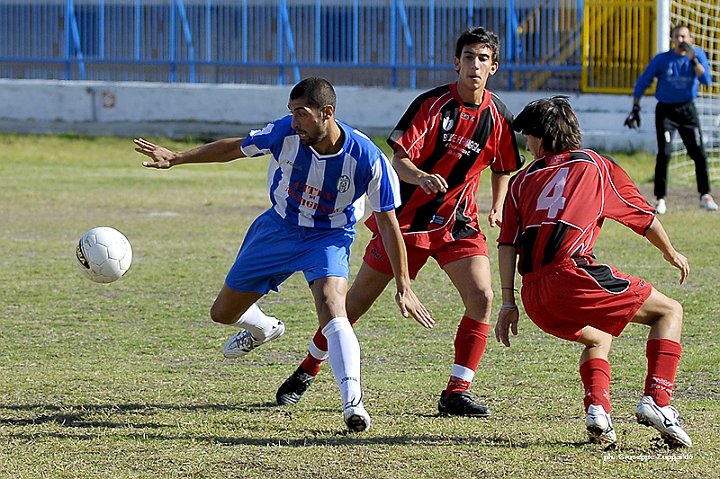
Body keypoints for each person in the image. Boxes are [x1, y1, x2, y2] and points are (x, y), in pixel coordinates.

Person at [134, 77, 433, 432]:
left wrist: (404, 284)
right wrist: (177, 157)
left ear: (327, 113)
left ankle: (353, 401)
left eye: (301, 114)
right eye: (291, 113)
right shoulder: (285, 134)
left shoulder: (368, 158)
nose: (294, 122)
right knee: (222, 313)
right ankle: (263, 328)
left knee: (332, 307)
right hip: (277, 229)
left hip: (328, 237)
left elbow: (388, 225)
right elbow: (235, 147)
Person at [263, 26, 523, 417]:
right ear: (457, 62)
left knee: (482, 297)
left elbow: (504, 165)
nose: (474, 65)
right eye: (468, 57)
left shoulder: (499, 116)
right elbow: (398, 159)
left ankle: (457, 390)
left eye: (482, 59)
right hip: (407, 224)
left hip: (458, 224)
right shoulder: (433, 105)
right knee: (349, 309)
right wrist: (419, 177)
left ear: (494, 67)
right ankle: (307, 370)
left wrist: (498, 204)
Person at [496, 96, 692, 447]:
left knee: (599, 335)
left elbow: (507, 244)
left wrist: (508, 302)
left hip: (534, 295)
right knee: (669, 311)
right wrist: (671, 252)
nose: (526, 142)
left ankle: (598, 411)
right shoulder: (594, 164)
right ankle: (659, 403)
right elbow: (642, 217)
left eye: (527, 135)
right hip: (572, 275)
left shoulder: (520, 182)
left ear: (541, 137)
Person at [625, 24, 717, 214]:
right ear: (672, 39)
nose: (681, 40)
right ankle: (660, 198)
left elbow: (706, 81)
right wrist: (635, 106)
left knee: (698, 152)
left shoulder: (697, 56)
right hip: (666, 111)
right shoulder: (662, 60)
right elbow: (644, 81)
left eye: (684, 37)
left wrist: (693, 60)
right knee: (665, 153)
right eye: (678, 36)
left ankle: (705, 195)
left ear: (691, 40)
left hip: (687, 111)